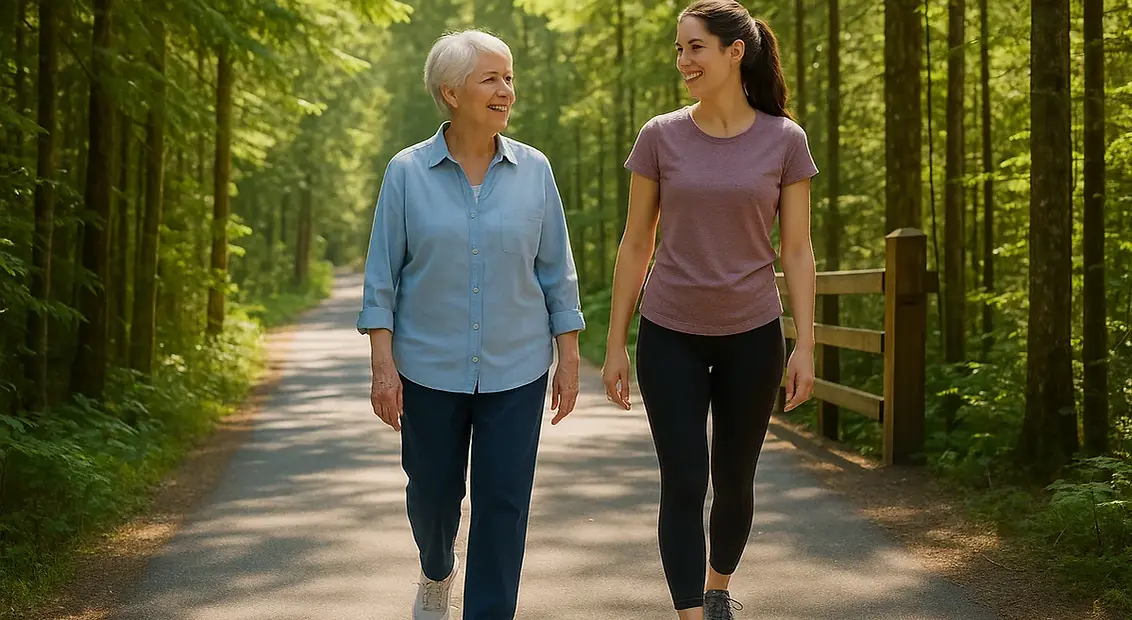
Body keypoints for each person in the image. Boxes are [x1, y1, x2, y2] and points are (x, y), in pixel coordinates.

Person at [356, 29, 585, 620]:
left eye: (509, 77)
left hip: (518, 366)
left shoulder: (535, 170)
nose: (506, 90)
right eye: (491, 78)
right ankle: (436, 570)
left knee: (504, 504)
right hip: (427, 368)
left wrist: (569, 355)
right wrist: (383, 366)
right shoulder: (406, 172)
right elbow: (381, 276)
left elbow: (558, 271)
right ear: (450, 92)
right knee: (432, 498)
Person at [601, 2, 818, 619]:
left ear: (733, 52)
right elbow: (636, 241)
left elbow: (797, 249)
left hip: (753, 333)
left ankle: (719, 585)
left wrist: (806, 342)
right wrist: (616, 343)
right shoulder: (660, 136)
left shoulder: (784, 140)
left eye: (695, 48)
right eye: (678, 49)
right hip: (669, 332)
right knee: (684, 481)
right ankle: (691, 612)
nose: (683, 62)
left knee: (734, 482)